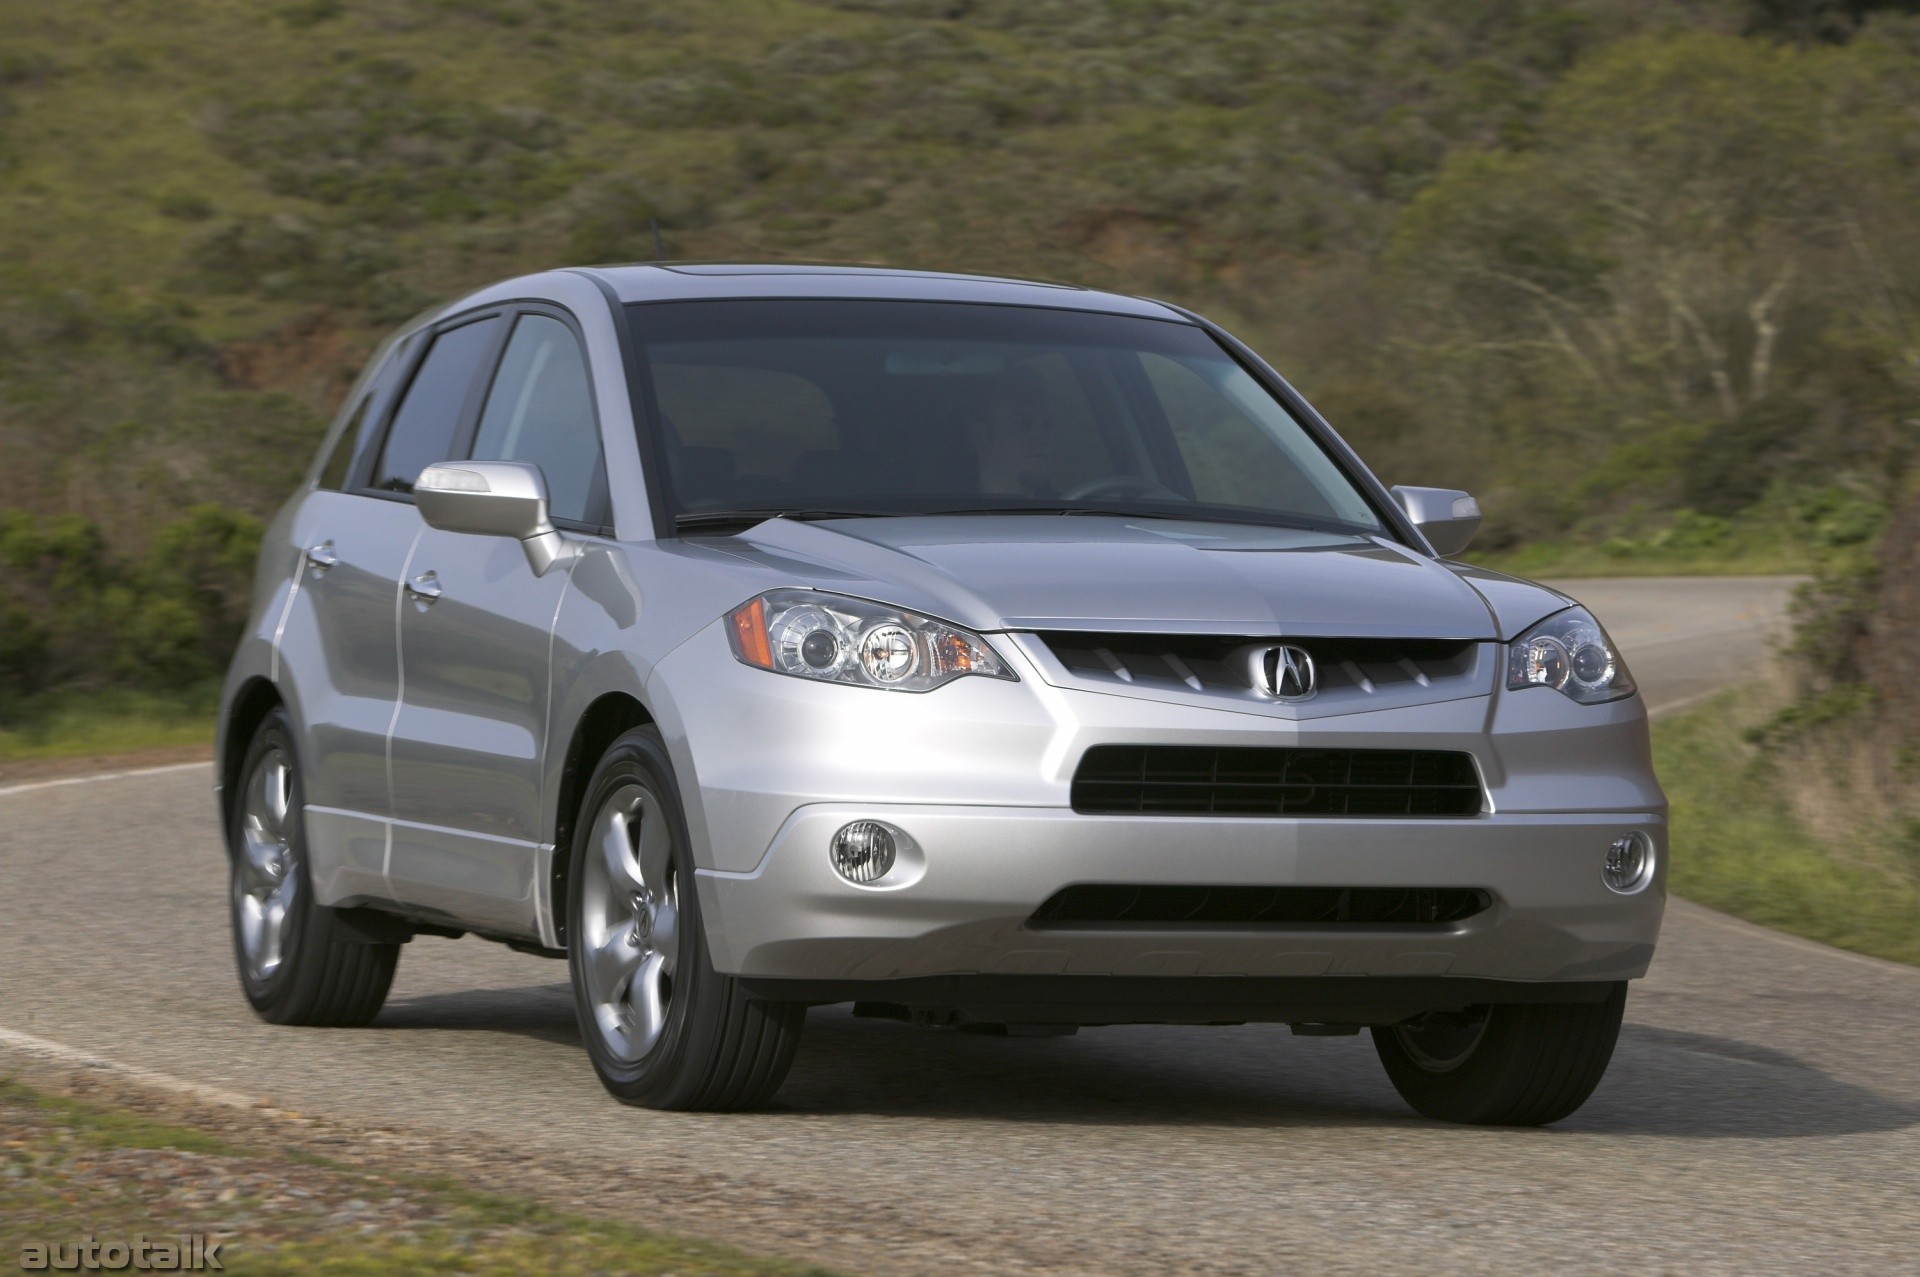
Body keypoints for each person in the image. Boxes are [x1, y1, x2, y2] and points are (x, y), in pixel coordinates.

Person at [965, 366, 1056, 497]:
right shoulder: (940, 513)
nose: (1042, 437)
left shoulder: (1079, 512)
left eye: (1048, 424)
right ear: (980, 436)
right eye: (1025, 423)